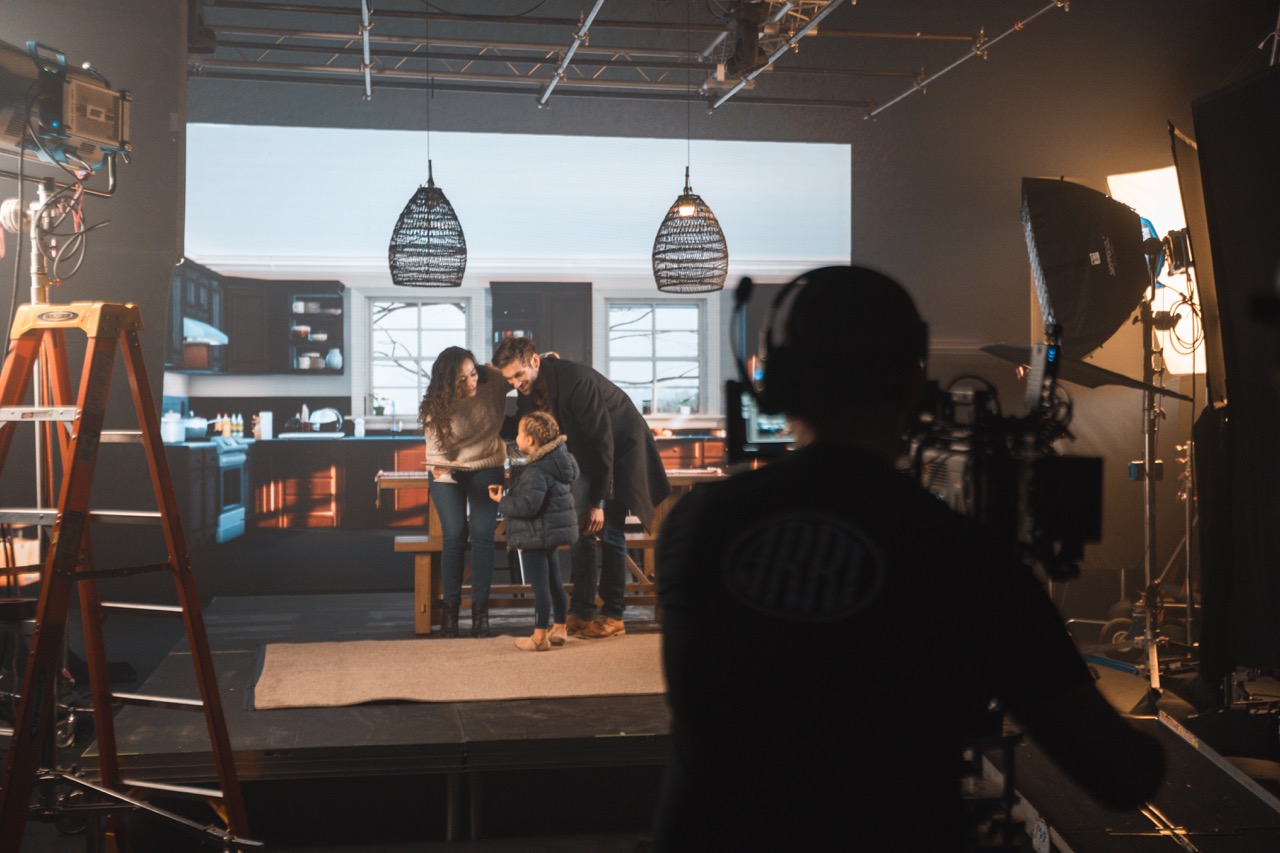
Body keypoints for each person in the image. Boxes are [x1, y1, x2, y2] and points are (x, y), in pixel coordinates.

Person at [653, 266, 1166, 850]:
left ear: (776, 386)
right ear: (915, 383)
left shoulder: (694, 524)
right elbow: (1122, 775)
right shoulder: (961, 557)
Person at [492, 337, 671, 639]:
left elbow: (603, 443)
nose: (516, 383)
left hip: (620, 452)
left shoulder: (577, 382)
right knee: (581, 531)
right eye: (509, 379)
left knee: (609, 530)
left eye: (519, 375)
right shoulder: (528, 390)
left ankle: (614, 615)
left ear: (534, 361)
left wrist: (598, 502)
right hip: (583, 457)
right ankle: (582, 612)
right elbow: (528, 427)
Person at [418, 346, 508, 638]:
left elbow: (519, 371)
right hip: (447, 468)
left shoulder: (490, 378)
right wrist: (448, 471)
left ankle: (481, 614)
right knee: (455, 535)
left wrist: (546, 360)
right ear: (446, 383)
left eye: (473, 374)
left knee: (483, 535)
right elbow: (437, 457)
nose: (471, 382)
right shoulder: (436, 405)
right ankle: (450, 613)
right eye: (461, 380)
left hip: (487, 463)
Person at [488, 411, 579, 651]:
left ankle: (539, 637)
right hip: (550, 532)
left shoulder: (535, 471)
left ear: (529, 441)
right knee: (554, 582)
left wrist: (501, 500)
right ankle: (560, 628)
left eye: (518, 433)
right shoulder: (558, 460)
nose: (515, 438)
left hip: (535, 533)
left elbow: (528, 506)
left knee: (540, 586)